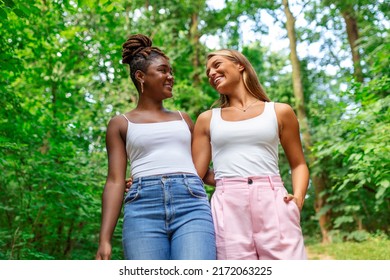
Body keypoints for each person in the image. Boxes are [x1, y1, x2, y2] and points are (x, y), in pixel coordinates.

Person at [95, 34, 216, 260]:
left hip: (191, 203)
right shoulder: (120, 124)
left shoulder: (185, 119)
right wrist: (104, 239)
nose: (170, 76)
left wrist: (243, 181)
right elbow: (114, 181)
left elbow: (202, 169)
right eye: (163, 70)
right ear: (140, 76)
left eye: (170, 71)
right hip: (142, 209)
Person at [192, 49, 309, 260]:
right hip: (228, 206)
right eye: (208, 71)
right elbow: (195, 172)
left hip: (273, 200)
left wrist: (298, 199)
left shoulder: (280, 111)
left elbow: (298, 164)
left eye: (216, 65)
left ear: (240, 65)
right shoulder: (207, 119)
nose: (211, 73)